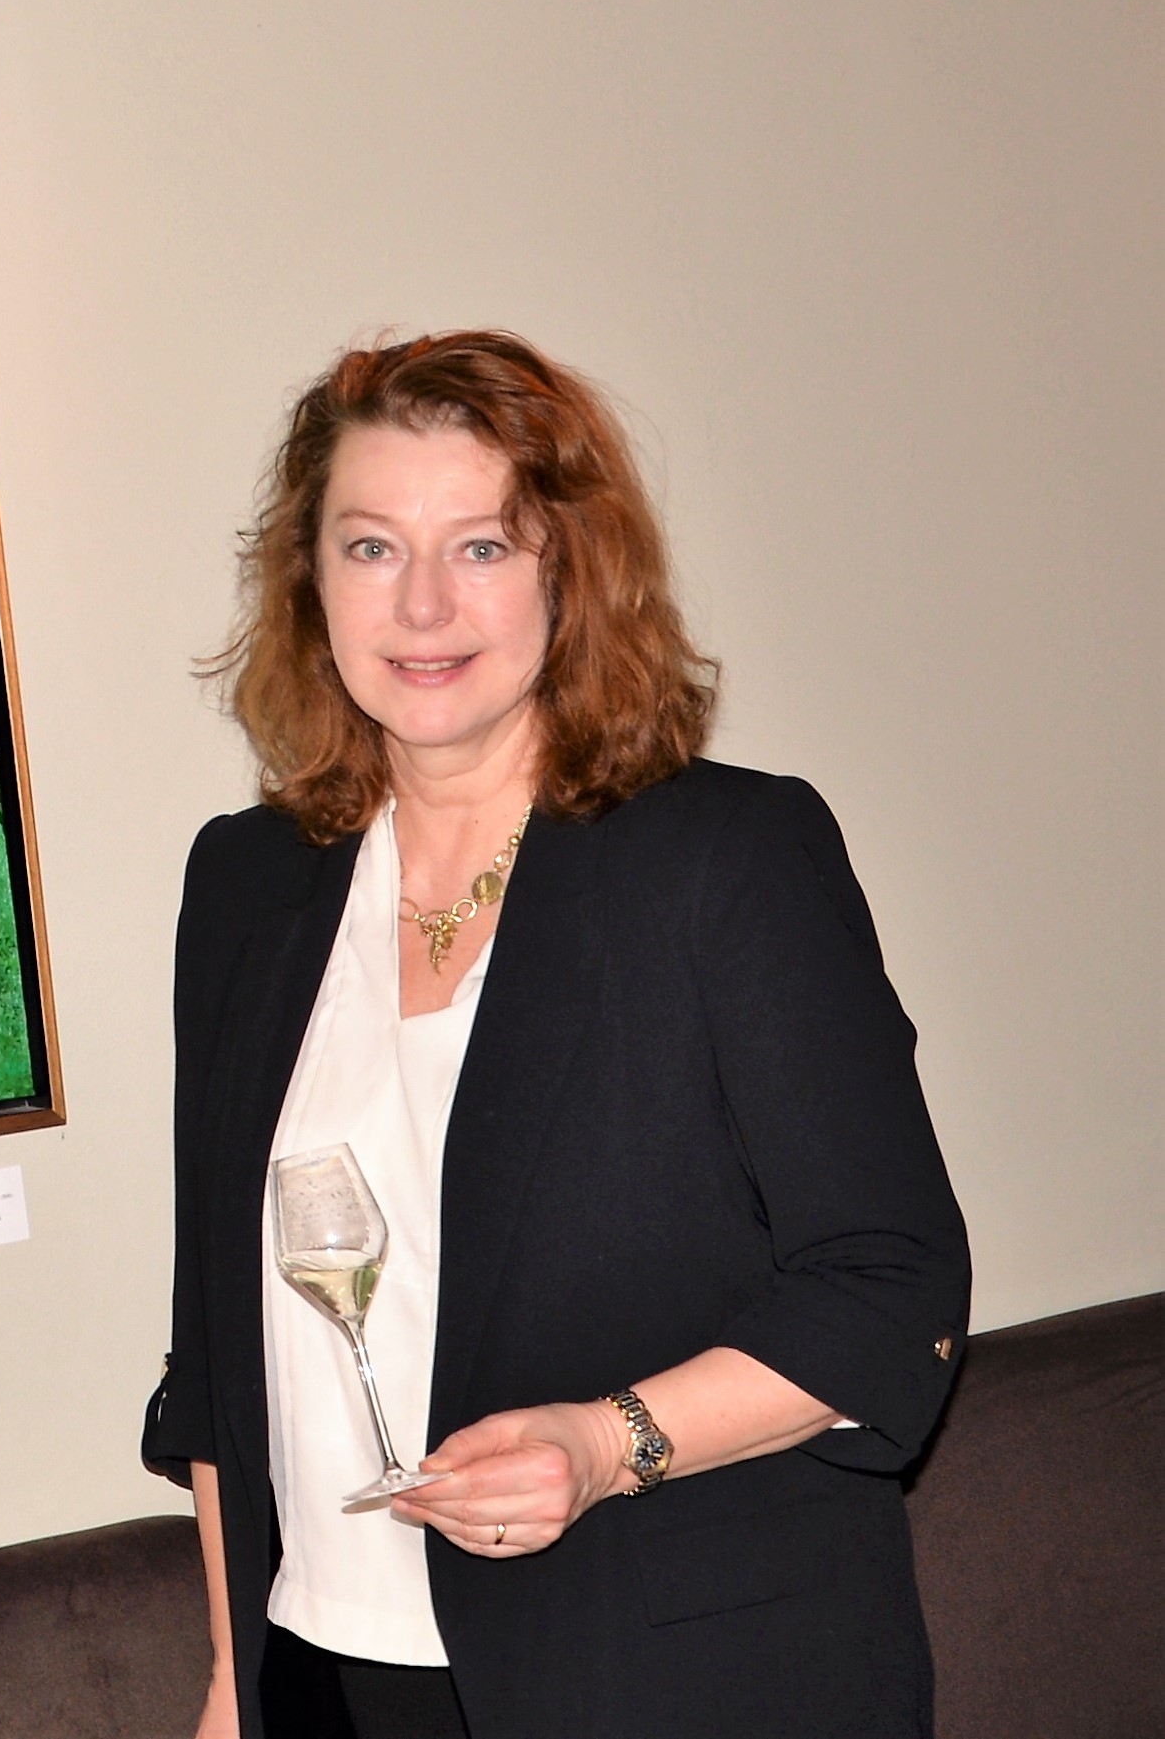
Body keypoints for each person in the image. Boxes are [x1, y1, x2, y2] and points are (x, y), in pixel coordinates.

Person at [142, 332, 970, 1738]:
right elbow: (216, 1346)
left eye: (480, 547)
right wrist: (232, 1682)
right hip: (331, 1672)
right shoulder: (244, 884)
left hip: (676, 1683)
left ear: (569, 576)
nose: (421, 603)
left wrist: (604, 1442)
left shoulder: (728, 860)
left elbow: (892, 1284)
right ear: (309, 582)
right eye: (370, 547)